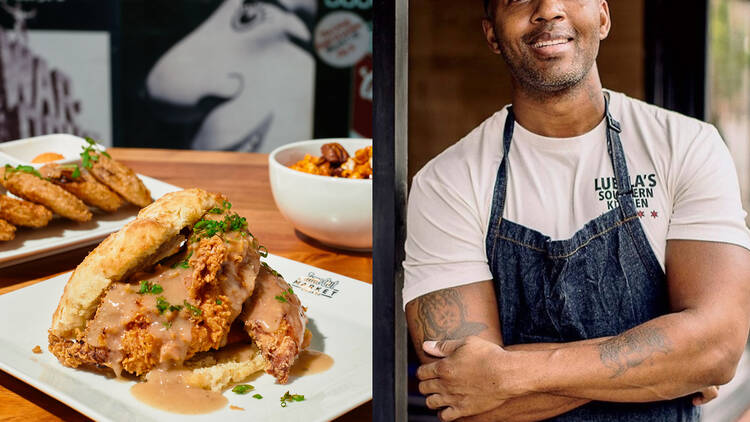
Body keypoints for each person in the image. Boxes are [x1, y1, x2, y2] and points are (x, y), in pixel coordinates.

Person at [403, 1, 750, 421]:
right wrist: (669, 363)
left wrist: (507, 373)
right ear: (492, 34)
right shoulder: (445, 184)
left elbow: (716, 349)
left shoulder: (686, 146)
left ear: (603, 17)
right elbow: (466, 399)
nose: (548, 9)